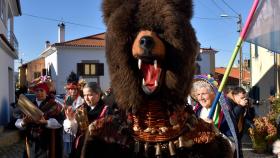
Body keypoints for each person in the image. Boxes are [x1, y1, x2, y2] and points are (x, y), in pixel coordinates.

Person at [190, 74, 241, 158]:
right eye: (198, 94)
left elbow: (232, 142)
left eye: (203, 93)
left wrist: (214, 129)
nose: (201, 98)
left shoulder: (224, 113)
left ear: (213, 94)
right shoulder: (197, 112)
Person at [15, 76, 63, 158]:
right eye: (37, 91)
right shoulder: (29, 105)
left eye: (42, 90)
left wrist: (46, 122)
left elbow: (60, 122)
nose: (39, 93)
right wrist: (24, 122)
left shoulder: (54, 105)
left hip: (48, 142)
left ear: (46, 92)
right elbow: (18, 122)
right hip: (32, 142)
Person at [63, 82, 111, 157]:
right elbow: (74, 131)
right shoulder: (81, 109)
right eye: (85, 95)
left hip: (98, 149)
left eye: (90, 95)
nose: (86, 98)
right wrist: (70, 120)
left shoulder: (107, 110)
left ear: (98, 95)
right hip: (80, 148)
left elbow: (109, 133)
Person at [63, 72, 84, 157]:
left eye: (74, 89)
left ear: (78, 89)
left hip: (79, 129)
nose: (72, 91)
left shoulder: (82, 100)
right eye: (70, 89)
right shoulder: (67, 99)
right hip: (68, 130)